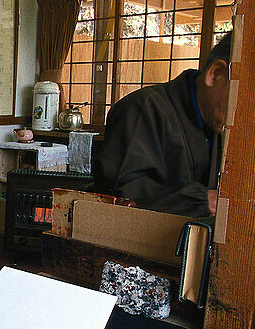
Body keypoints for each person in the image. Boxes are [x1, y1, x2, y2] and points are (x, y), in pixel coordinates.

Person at [95, 32, 232, 217]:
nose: (240, 112)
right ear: (215, 74)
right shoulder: (142, 108)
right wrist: (201, 201)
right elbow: (122, 196)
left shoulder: (217, 126)